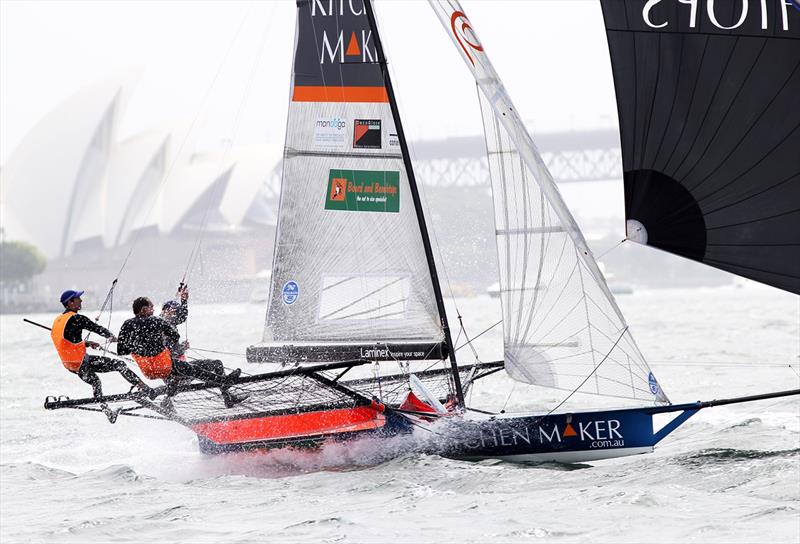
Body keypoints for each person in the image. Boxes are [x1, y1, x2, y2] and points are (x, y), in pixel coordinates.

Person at [117, 296, 245, 411]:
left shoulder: (127, 324)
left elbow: (121, 350)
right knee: (195, 370)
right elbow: (175, 336)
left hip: (148, 371)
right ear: (144, 309)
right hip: (165, 365)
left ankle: (161, 396)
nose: (153, 309)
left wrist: (141, 347)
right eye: (151, 307)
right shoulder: (157, 321)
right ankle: (224, 382)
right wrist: (170, 344)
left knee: (185, 375)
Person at [51, 289, 154, 423]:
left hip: (72, 366)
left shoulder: (58, 320)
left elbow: (67, 339)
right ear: (70, 302)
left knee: (95, 382)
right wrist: (111, 336)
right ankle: (145, 388)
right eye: (77, 299)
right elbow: (97, 328)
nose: (81, 301)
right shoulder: (77, 318)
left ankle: (107, 411)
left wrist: (86, 343)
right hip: (83, 362)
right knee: (120, 365)